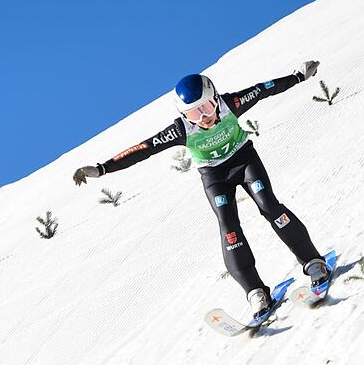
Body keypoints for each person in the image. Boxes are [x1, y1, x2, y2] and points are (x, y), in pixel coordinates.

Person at [73, 60, 328, 319]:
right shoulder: (181, 130)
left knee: (269, 206)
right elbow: (144, 149)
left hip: (244, 161)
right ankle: (255, 292)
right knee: (229, 229)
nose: (204, 117)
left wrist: (299, 76)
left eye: (205, 107)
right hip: (214, 176)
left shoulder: (231, 104)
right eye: (194, 114)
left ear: (215, 98)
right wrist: (102, 168)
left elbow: (264, 89)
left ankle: (313, 262)